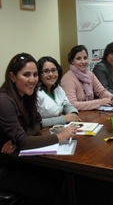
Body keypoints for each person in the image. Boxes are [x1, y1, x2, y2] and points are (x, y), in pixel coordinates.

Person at [0, 53, 76, 204]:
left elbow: (37, 124)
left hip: (15, 157)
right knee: (49, 189)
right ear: (12, 76)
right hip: (3, 166)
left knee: (59, 175)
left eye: (35, 74)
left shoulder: (27, 96)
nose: (33, 80)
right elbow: (23, 140)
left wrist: (19, 138)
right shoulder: (4, 100)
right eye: (26, 74)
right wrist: (59, 136)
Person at [61, 45, 113, 110]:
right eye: (78, 59)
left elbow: (101, 91)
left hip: (90, 113)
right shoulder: (67, 79)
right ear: (72, 61)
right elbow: (72, 104)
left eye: (85, 58)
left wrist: (110, 96)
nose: (83, 62)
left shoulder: (89, 74)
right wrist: (98, 102)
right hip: (76, 116)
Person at [37, 56, 81, 127]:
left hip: (59, 128)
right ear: (39, 74)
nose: (51, 74)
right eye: (46, 71)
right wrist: (63, 119)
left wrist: (73, 113)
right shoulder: (36, 93)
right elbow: (37, 123)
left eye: (53, 70)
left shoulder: (57, 88)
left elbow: (66, 104)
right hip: (43, 133)